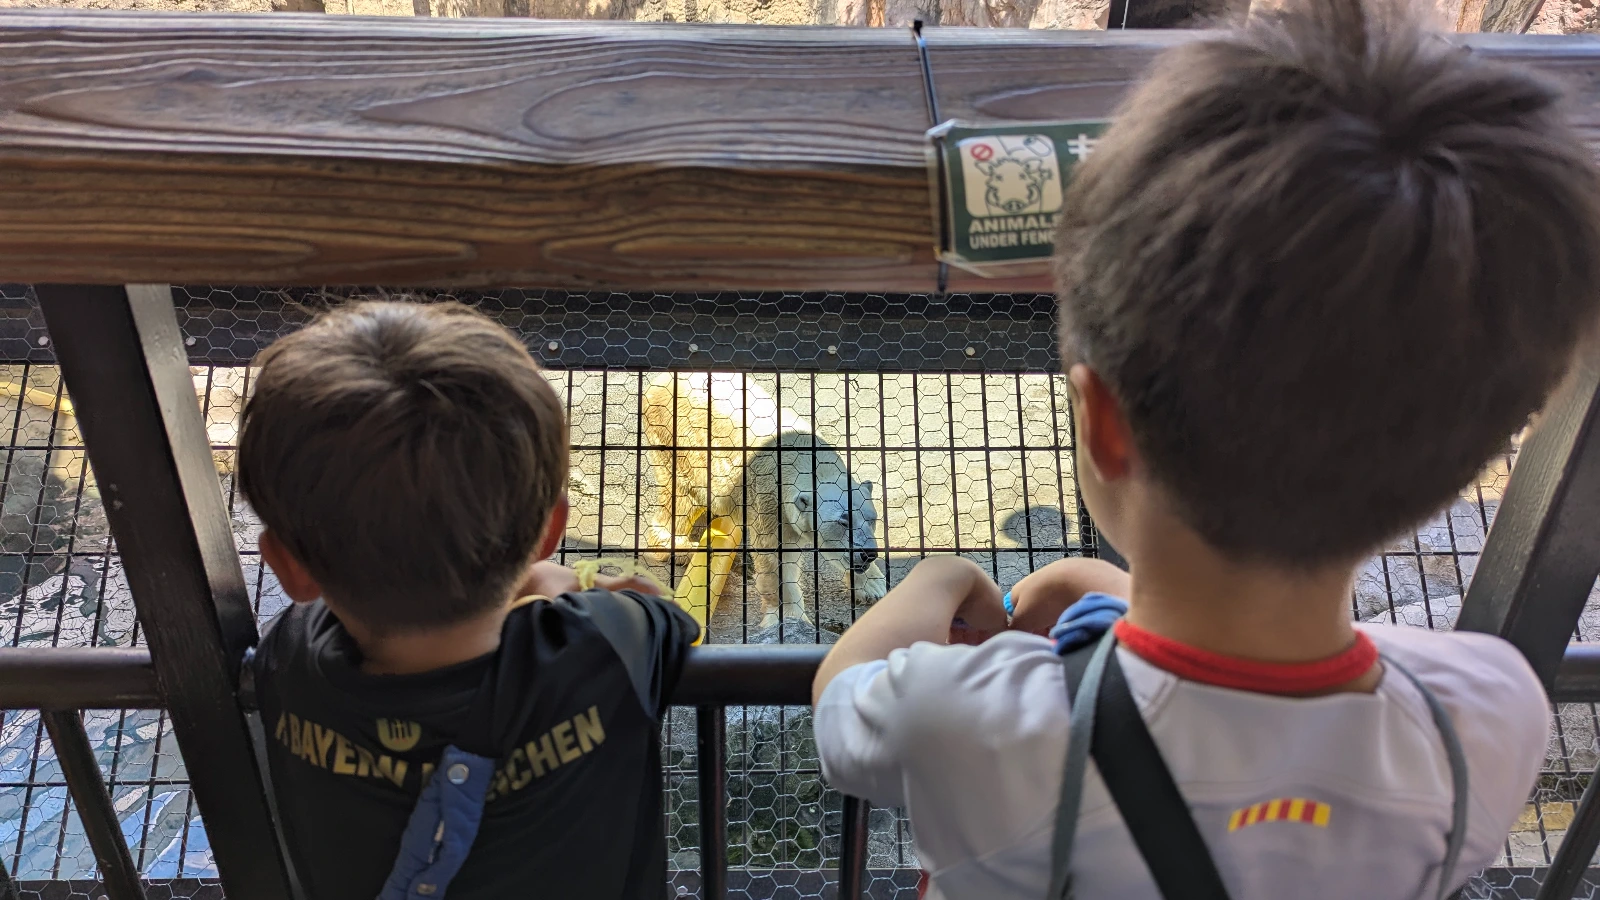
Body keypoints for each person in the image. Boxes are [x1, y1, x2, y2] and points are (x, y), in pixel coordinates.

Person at [811, 0, 1600, 896]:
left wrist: (942, 577)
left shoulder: (979, 726)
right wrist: (1097, 586)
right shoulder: (1485, 717)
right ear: (1466, 461)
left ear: (1105, 423)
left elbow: (843, 696)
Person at [239, 301, 699, 900]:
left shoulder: (289, 661)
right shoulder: (600, 645)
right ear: (551, 530)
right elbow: (664, 610)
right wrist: (553, 585)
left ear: (288, 568)